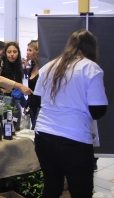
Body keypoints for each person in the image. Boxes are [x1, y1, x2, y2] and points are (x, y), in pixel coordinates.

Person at [34, 30, 107, 198]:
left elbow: (37, 100)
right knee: (81, 191)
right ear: (91, 48)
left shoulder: (49, 65)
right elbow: (98, 110)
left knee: (51, 188)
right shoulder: (91, 68)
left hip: (44, 136)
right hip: (74, 139)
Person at [0, 42, 24, 130]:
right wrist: (1, 88)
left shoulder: (19, 66)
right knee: (3, 127)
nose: (12, 54)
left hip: (15, 100)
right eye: (9, 52)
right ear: (5, 53)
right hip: (2, 99)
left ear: (18, 53)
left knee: (15, 127)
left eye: (14, 52)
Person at [25, 40, 41, 130]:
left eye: (30, 50)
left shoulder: (43, 68)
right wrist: (27, 104)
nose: (27, 53)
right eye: (27, 50)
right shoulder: (31, 68)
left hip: (40, 105)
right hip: (32, 104)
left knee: (36, 129)